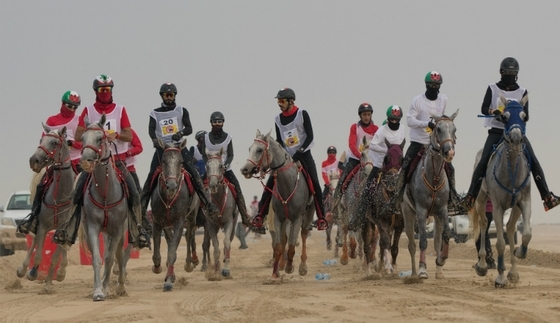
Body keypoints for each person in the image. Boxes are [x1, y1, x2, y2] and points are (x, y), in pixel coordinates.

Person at [52, 75, 150, 249]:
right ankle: (68, 231)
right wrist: (93, 133)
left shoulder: (120, 110)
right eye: (102, 90)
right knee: (76, 195)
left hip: (118, 162)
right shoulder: (88, 111)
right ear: (96, 91)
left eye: (108, 89)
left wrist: (117, 135)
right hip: (93, 164)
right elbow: (77, 136)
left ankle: (139, 231)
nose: (105, 93)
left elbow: (129, 134)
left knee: (135, 194)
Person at [460, 57, 560, 211]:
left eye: (513, 73)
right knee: (483, 160)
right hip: (496, 132)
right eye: (507, 73)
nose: (510, 75)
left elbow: (526, 115)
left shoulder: (522, 92)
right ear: (501, 73)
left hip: (516, 134)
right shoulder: (492, 88)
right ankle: (470, 197)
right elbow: (484, 107)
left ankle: (547, 197)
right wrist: (494, 112)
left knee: (534, 161)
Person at [140, 83, 220, 223]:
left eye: (171, 95)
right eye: (166, 95)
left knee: (194, 173)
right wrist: (154, 139)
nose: (169, 98)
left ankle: (208, 204)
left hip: (179, 147)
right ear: (162, 96)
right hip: (162, 148)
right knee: (151, 176)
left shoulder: (182, 110)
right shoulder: (154, 113)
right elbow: (151, 129)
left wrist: (180, 133)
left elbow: (189, 128)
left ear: (175, 96)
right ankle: (141, 212)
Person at [384, 71, 461, 214]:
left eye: (436, 85)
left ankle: (452, 198)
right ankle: (397, 199)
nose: (433, 88)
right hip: (418, 141)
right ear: (426, 85)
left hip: (435, 144)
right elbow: (409, 121)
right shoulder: (417, 101)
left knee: (450, 168)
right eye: (431, 85)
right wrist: (426, 123)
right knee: (406, 165)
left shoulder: (443, 99)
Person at [251, 88, 328, 231]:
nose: (279, 104)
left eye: (282, 101)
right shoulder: (277, 119)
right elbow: (280, 140)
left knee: (315, 184)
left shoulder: (302, 114)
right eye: (278, 101)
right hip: (287, 157)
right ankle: (260, 215)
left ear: (291, 101)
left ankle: (321, 217)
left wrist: (300, 152)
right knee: (270, 183)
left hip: (304, 155)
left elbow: (310, 136)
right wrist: (283, 156)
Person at [17, 90, 83, 235]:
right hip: (57, 163)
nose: (71, 109)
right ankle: (33, 218)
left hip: (76, 161)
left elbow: (85, 142)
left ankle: (82, 220)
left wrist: (71, 143)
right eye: (69, 105)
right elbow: (44, 140)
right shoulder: (52, 120)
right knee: (41, 185)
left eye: (74, 107)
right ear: (63, 103)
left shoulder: (79, 121)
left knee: (85, 187)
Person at [349, 105, 406, 230]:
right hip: (381, 164)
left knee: (410, 185)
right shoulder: (381, 130)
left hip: (397, 166)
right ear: (388, 118)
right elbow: (373, 145)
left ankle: (415, 219)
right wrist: (387, 150)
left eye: (397, 120)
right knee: (368, 188)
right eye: (392, 119)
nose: (394, 122)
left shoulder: (402, 129)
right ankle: (358, 217)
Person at [201, 111, 252, 227]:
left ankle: (245, 217)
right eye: (215, 122)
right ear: (211, 123)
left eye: (219, 122)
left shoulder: (228, 138)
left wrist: (225, 165)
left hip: (225, 169)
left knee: (237, 189)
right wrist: (208, 164)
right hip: (210, 169)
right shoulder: (205, 138)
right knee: (197, 187)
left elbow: (230, 155)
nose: (217, 124)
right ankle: (193, 216)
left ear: (223, 123)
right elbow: (204, 155)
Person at [332, 103, 378, 204]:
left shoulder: (376, 129)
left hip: (370, 161)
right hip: (356, 159)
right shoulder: (355, 127)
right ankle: (334, 205)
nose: (366, 117)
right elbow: (351, 144)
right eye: (364, 115)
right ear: (360, 115)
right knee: (343, 179)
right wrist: (360, 156)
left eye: (368, 115)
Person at [474, 198, 496, 269]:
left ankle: (487, 261)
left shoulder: (486, 187)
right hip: (488, 210)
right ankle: (486, 260)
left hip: (486, 210)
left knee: (481, 236)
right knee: (483, 235)